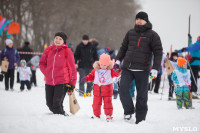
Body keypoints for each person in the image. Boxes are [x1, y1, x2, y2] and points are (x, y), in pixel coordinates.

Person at [114, 11, 163, 124]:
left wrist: (155, 68)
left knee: (142, 95)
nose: (139, 20)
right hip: (128, 68)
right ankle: (129, 110)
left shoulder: (153, 35)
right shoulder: (130, 33)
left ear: (146, 20)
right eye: (137, 19)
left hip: (143, 69)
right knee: (122, 90)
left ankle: (140, 118)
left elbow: (158, 52)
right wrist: (118, 59)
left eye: (141, 19)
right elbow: (123, 47)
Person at [39, 32, 77, 115]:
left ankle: (61, 120)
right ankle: (62, 115)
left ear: (64, 41)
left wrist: (72, 83)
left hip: (62, 82)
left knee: (56, 104)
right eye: (56, 38)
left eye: (60, 39)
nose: (58, 40)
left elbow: (72, 69)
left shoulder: (67, 51)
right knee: (49, 104)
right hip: (49, 81)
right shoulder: (48, 50)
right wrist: (47, 73)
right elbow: (41, 63)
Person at [81, 53, 121, 121]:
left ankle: (108, 115)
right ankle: (96, 115)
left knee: (108, 104)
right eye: (102, 64)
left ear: (108, 64)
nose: (103, 66)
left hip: (107, 91)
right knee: (96, 104)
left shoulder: (110, 70)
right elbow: (91, 76)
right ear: (99, 63)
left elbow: (117, 74)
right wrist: (86, 78)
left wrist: (117, 69)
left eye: (105, 65)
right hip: (97, 91)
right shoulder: (96, 70)